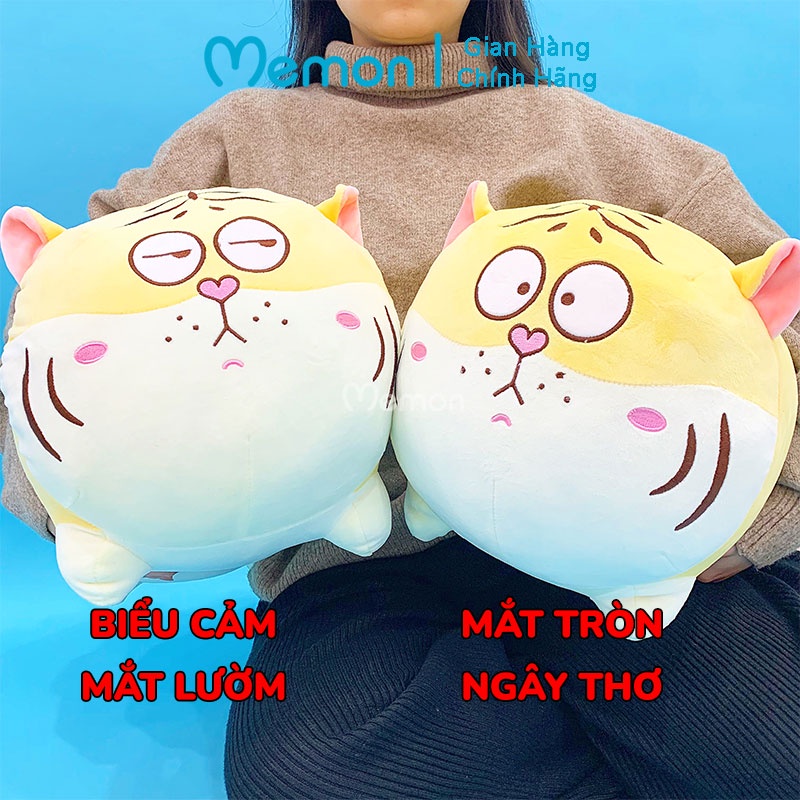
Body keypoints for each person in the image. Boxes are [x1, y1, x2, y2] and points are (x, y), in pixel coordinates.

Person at [1, 1, 798, 797]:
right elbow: (54, 319)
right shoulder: (236, 139)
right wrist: (100, 513)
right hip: (358, 569)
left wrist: (760, 525)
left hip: (607, 551)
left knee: (772, 757)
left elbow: (772, 320)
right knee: (310, 781)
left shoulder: (601, 142)